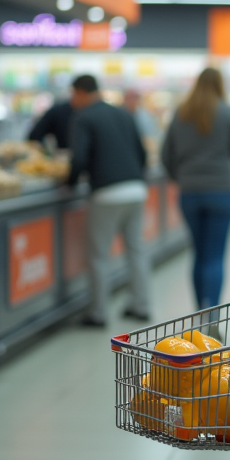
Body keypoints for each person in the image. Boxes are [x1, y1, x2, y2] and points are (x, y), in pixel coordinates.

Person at [66, 75, 153, 326]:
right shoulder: (124, 114)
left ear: (81, 92)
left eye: (73, 95)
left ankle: (98, 312)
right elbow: (142, 152)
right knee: (136, 249)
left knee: (99, 254)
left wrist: (69, 183)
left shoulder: (83, 117)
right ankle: (141, 305)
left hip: (106, 193)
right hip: (136, 189)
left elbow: (79, 158)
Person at [162, 67, 230, 318]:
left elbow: (166, 155)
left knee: (198, 252)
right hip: (221, 191)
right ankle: (213, 314)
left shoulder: (181, 113)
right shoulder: (228, 112)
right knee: (215, 255)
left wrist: (183, 177)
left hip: (190, 193)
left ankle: (199, 309)